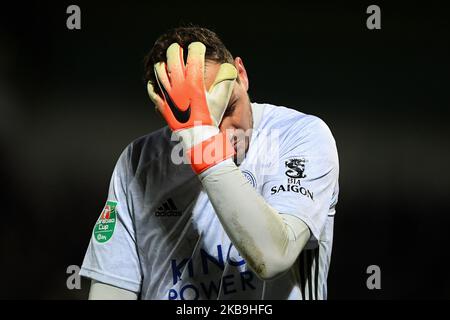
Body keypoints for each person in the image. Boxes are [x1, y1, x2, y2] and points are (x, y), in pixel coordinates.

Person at [80, 26, 339, 300]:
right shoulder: (139, 163)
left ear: (242, 74)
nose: (225, 135)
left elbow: (274, 255)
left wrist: (204, 142)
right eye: (202, 121)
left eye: (228, 108)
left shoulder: (301, 136)